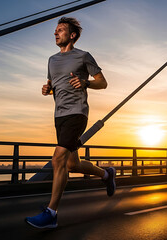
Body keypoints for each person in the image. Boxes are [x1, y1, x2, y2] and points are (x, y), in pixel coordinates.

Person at [26, 16, 116, 229]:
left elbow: (103, 83)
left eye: (60, 30)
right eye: (55, 30)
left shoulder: (84, 56)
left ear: (72, 35)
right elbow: (51, 84)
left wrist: (86, 82)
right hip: (59, 116)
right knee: (71, 164)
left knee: (58, 159)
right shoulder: (51, 60)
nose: (55, 33)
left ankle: (51, 214)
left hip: (77, 113)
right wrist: (46, 90)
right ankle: (106, 174)